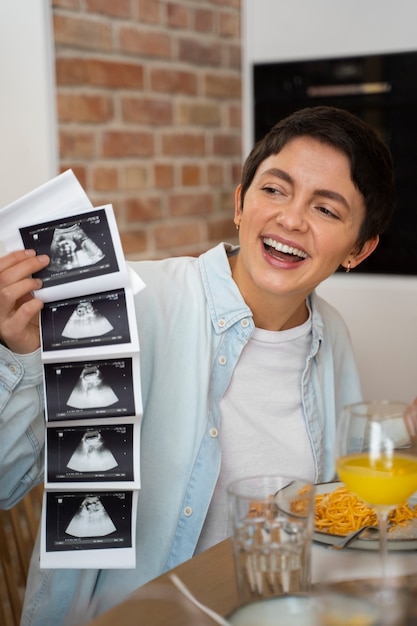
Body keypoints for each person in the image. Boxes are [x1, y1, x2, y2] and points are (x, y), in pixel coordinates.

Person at [0, 105, 407, 625]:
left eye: (327, 210)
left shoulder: (333, 335)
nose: (291, 219)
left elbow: (343, 505)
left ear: (359, 249)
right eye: (274, 189)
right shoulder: (123, 309)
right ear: (241, 203)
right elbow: (6, 479)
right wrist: (19, 356)